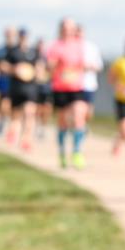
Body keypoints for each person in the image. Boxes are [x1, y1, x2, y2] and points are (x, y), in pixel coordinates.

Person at [44, 18, 89, 169]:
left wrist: (85, 67)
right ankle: (62, 151)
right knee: (62, 121)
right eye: (65, 28)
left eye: (70, 28)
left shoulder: (79, 45)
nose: (68, 30)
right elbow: (49, 67)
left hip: (76, 87)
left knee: (79, 116)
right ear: (61, 29)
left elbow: (83, 64)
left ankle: (77, 152)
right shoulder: (55, 46)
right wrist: (54, 66)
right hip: (60, 87)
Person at [4, 29, 43, 152]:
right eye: (21, 36)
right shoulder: (12, 51)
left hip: (30, 88)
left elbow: (39, 67)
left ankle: (26, 139)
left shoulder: (33, 52)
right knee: (16, 115)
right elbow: (3, 66)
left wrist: (38, 73)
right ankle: (13, 132)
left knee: (29, 113)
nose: (23, 38)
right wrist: (14, 69)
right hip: (16, 87)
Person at [0, 26, 18, 136]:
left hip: (14, 82)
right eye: (8, 34)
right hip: (1, 81)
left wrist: (10, 68)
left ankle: (8, 125)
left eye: (11, 34)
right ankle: (2, 118)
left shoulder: (18, 50)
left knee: (7, 104)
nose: (10, 36)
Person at [77, 24, 103, 124]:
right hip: (73, 84)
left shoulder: (92, 47)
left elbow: (99, 66)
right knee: (77, 109)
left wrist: (89, 67)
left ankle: (83, 125)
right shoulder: (69, 47)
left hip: (88, 84)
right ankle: (78, 127)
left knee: (88, 110)